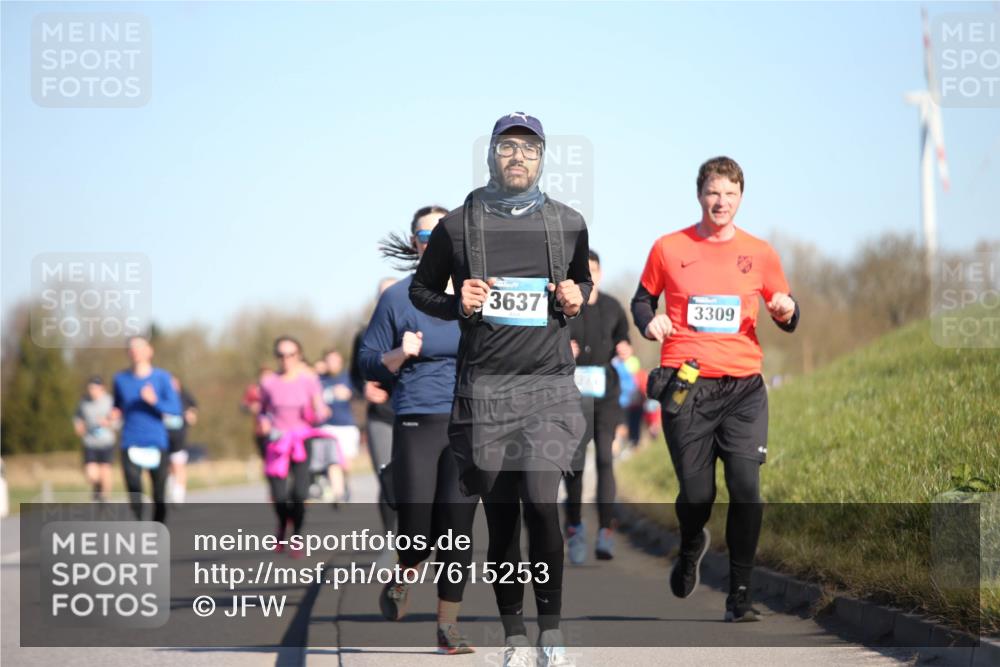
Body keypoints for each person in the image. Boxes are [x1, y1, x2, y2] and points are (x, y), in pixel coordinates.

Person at [410, 112, 591, 667]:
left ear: (542, 159)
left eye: (529, 149)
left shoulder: (567, 222)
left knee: (541, 502)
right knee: (503, 518)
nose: (519, 157)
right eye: (508, 147)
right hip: (483, 391)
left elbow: (582, 280)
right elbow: (422, 291)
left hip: (549, 387)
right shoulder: (458, 226)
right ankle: (514, 634)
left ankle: (552, 632)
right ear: (491, 155)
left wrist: (576, 294)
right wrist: (454, 301)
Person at [630, 156, 799, 623]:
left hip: (744, 387)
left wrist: (786, 310)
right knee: (697, 494)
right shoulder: (669, 247)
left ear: (741, 197)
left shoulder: (760, 253)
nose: (720, 202)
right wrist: (650, 322)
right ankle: (690, 545)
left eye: (729, 194)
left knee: (747, 488)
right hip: (686, 384)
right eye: (713, 193)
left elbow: (785, 310)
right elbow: (642, 299)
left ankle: (740, 594)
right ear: (700, 195)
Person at [361, 205, 479, 655]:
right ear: (416, 243)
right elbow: (367, 360)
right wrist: (398, 355)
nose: (435, 238)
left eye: (444, 231)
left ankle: (447, 625)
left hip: (468, 422)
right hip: (416, 419)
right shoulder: (398, 298)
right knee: (417, 529)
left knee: (457, 527)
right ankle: (405, 571)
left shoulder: (476, 294)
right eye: (426, 232)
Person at [564, 249, 631, 563]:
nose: (588, 275)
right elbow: (549, 341)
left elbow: (625, 339)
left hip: (605, 393)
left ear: (600, 273)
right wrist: (563, 350)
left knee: (605, 459)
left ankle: (606, 530)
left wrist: (624, 347)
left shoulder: (613, 306)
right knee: (574, 467)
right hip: (573, 395)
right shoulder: (565, 308)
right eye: (583, 271)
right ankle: (575, 528)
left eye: (593, 270)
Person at [259, 336, 330, 555]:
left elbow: (320, 407)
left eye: (291, 354)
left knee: (299, 493)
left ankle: (297, 535)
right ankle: (282, 524)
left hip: (301, 440)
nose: (286, 359)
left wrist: (320, 412)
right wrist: (263, 421)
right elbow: (263, 410)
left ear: (298, 356)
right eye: (281, 355)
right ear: (276, 357)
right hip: (277, 441)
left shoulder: (308, 380)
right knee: (279, 495)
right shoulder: (268, 382)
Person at [111, 335, 181, 523]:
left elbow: (175, 409)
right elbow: (117, 405)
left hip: (156, 441)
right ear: (128, 353)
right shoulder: (120, 379)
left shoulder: (162, 378)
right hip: (130, 440)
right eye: (131, 348)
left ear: (149, 351)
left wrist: (154, 401)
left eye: (139, 347)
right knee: (134, 489)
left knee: (158, 494)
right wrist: (114, 414)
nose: (135, 351)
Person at [350, 278, 398, 534]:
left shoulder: (414, 326)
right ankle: (391, 541)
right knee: (387, 478)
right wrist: (363, 389)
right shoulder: (364, 334)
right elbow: (355, 375)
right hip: (381, 416)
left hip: (414, 412)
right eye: (383, 295)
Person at [315, 349, 358, 502]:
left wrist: (349, 394)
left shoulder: (348, 377)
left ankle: (344, 484)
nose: (332, 364)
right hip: (327, 426)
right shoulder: (319, 380)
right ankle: (338, 495)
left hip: (347, 425)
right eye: (329, 361)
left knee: (346, 465)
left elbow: (360, 393)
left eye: (335, 360)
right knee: (333, 462)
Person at [73, 376, 118, 502]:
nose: (92, 391)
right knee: (91, 475)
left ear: (102, 388)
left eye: (95, 388)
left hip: (107, 442)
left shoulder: (110, 401)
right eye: (90, 388)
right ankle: (98, 487)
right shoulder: (84, 402)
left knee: (105, 471)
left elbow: (118, 421)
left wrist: (108, 423)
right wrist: (78, 425)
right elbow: (77, 417)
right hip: (90, 442)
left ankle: (105, 499)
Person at [165, 376, 197, 503]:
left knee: (179, 463)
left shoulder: (184, 396)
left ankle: (179, 491)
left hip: (180, 435)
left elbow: (193, 410)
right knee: (168, 464)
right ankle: (171, 484)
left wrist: (191, 415)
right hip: (165, 436)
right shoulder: (163, 396)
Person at [242, 366, 274, 459]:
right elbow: (243, 406)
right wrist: (251, 407)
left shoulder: (279, 388)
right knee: (265, 457)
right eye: (264, 376)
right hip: (259, 430)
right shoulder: (253, 390)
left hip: (277, 429)